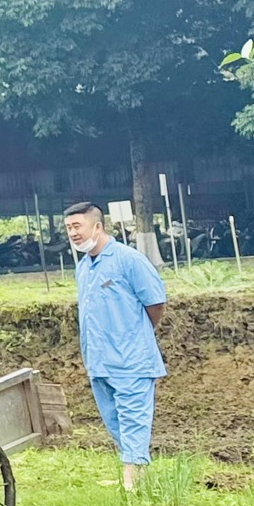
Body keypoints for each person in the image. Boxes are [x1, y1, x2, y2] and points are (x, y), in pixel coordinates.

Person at [62, 200, 168, 490]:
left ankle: (132, 484)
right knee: (115, 421)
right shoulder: (84, 267)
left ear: (98, 226)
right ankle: (138, 475)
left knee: (133, 419)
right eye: (68, 228)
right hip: (99, 361)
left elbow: (155, 304)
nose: (73, 233)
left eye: (77, 226)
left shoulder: (128, 260)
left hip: (131, 359)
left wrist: (134, 335)